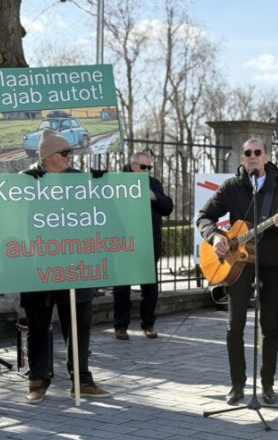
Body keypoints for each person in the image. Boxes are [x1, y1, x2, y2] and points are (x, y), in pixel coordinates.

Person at [197, 138, 278, 406]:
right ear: (242, 158)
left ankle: (267, 385)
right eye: (248, 153)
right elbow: (204, 217)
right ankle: (237, 384)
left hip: (271, 263)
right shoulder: (232, 187)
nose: (253, 156)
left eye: (258, 152)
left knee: (269, 325)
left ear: (266, 156)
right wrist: (214, 238)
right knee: (235, 326)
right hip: (237, 264)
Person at [19, 129, 110, 404]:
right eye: (65, 152)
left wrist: (100, 185)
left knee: (79, 323)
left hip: (75, 263)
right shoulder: (25, 180)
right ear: (47, 157)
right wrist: (23, 187)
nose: (71, 156)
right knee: (38, 324)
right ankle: (38, 379)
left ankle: (81, 379)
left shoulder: (79, 179)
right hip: (39, 264)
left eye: (71, 152)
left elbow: (101, 211)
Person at [113, 152, 173, 340]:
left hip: (148, 241)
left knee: (150, 285)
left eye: (150, 168)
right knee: (122, 286)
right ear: (132, 165)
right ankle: (120, 326)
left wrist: (154, 197)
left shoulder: (154, 184)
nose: (147, 171)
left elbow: (168, 207)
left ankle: (148, 324)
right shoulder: (117, 181)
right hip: (123, 241)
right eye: (143, 167)